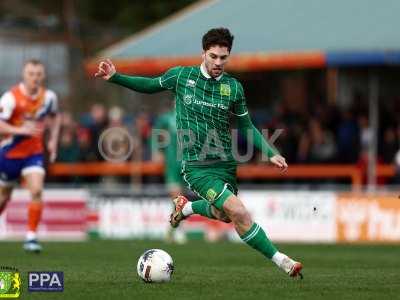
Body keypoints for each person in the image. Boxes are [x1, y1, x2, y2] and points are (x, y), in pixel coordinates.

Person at [95, 28, 303, 278]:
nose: (218, 63)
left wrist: (270, 151)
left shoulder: (233, 88)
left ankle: (186, 209)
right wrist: (117, 76)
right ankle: (283, 261)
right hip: (196, 166)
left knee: (223, 215)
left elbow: (246, 126)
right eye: (213, 56)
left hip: (225, 164)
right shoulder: (181, 76)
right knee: (238, 211)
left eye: (223, 58)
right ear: (203, 53)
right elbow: (149, 85)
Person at [0, 59, 61, 252]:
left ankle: (31, 237)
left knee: (36, 190)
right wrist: (20, 130)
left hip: (33, 153)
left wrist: (52, 141)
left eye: (38, 74)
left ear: (43, 76)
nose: (35, 78)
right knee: (3, 197)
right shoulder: (10, 98)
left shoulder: (49, 97)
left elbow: (55, 116)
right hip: (9, 154)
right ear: (24, 75)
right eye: (31, 74)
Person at [152, 107, 187, 243]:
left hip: (188, 162)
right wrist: (157, 150)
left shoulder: (193, 115)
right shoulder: (167, 117)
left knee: (181, 198)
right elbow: (155, 132)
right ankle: (176, 228)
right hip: (172, 162)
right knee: (177, 197)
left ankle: (173, 228)